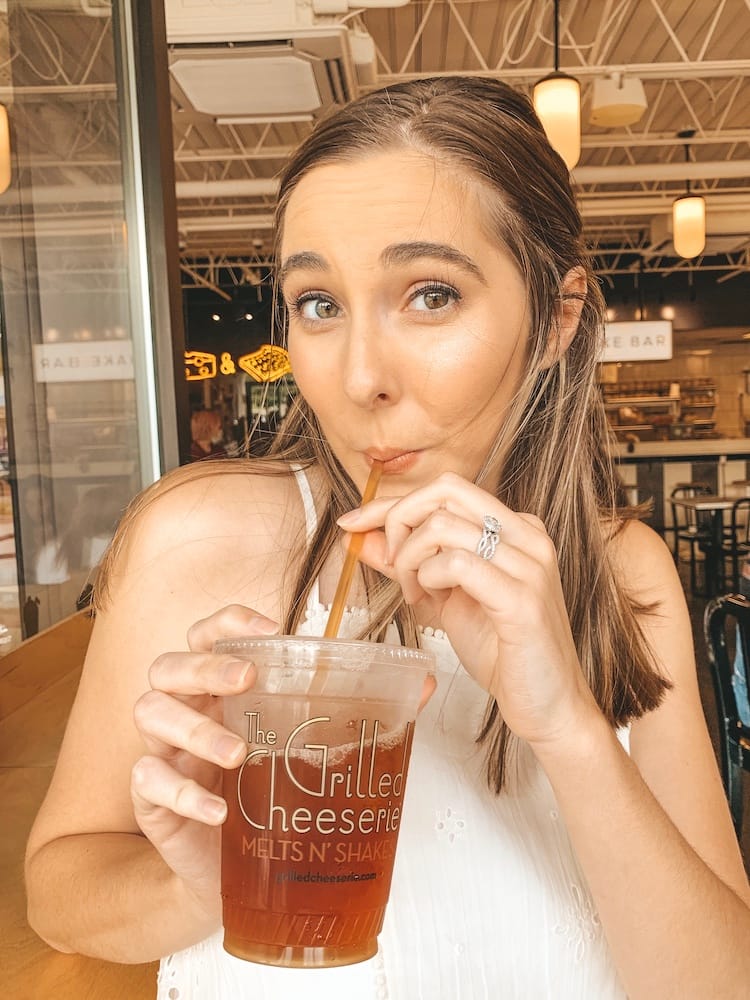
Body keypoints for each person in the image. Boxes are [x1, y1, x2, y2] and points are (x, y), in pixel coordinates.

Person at [24, 77, 750, 999]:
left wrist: (568, 726)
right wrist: (193, 885)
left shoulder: (620, 570)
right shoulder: (197, 538)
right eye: (319, 304)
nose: (360, 375)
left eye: (431, 294)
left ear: (558, 318)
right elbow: (60, 890)